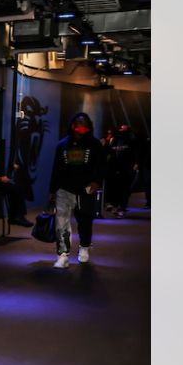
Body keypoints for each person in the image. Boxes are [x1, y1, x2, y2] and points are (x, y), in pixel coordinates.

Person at [47, 113, 108, 268]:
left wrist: (96, 182)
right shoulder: (62, 145)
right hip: (64, 189)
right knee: (61, 223)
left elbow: (101, 166)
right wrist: (52, 190)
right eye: (78, 122)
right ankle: (62, 255)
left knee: (85, 221)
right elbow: (56, 169)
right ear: (72, 125)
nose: (81, 125)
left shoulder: (95, 144)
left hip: (85, 190)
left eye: (84, 123)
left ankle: (84, 247)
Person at [0, 137, 34, 227]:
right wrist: (0, 178)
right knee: (14, 188)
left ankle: (17, 216)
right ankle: (16, 217)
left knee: (16, 187)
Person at [106, 124, 139, 218]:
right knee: (116, 188)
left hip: (127, 169)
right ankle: (116, 206)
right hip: (115, 169)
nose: (122, 132)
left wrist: (136, 163)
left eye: (124, 130)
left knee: (125, 189)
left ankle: (122, 208)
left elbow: (136, 153)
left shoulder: (132, 141)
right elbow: (110, 153)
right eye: (121, 130)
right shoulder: (115, 140)